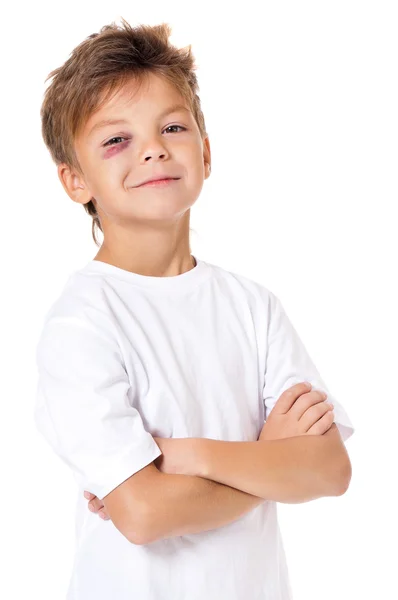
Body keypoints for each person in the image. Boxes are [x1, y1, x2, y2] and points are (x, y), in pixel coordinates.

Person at [34, 17, 355, 600]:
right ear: (75, 180)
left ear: (205, 154)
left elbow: (330, 471)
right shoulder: (82, 322)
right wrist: (270, 463)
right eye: (115, 139)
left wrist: (182, 456)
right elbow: (144, 514)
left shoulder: (252, 307)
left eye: (172, 126)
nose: (153, 148)